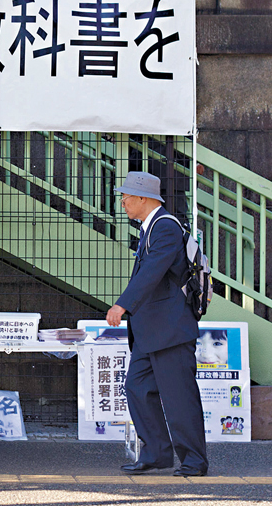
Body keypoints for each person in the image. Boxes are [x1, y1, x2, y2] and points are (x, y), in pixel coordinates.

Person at [106, 171, 209, 477]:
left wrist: (123, 304)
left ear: (143, 198)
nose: (123, 201)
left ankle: (194, 460)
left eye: (127, 196)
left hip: (170, 330)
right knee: (137, 388)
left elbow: (152, 271)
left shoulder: (164, 228)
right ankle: (157, 454)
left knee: (179, 398)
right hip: (153, 330)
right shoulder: (153, 228)